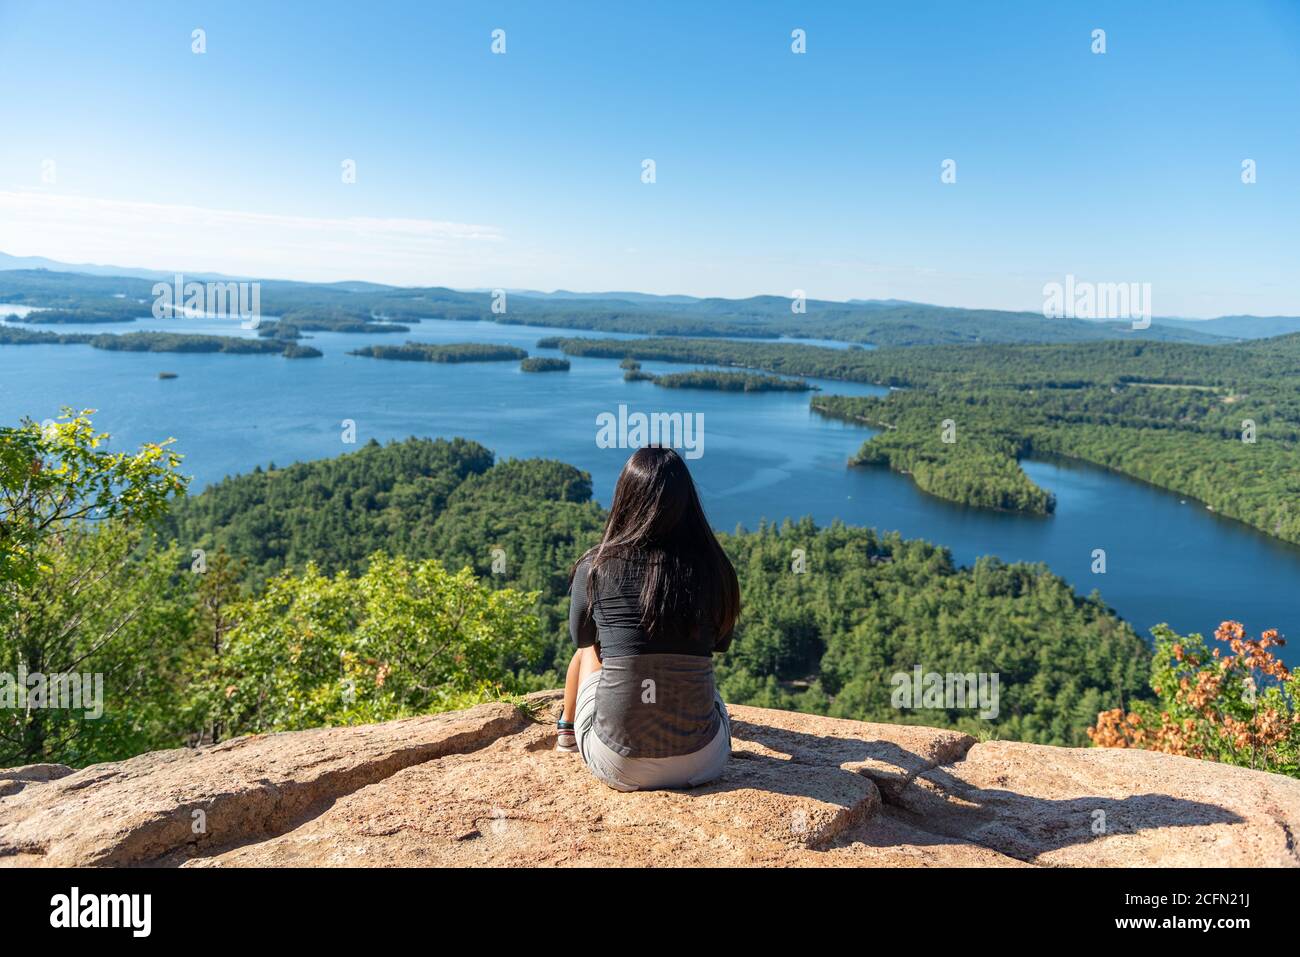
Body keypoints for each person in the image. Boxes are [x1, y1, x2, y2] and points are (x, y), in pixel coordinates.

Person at [555, 445, 740, 791]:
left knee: (591, 648)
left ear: (625, 499)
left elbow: (581, 639)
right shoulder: (716, 567)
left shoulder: (595, 567)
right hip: (704, 761)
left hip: (618, 763)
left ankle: (565, 732)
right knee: (706, 688)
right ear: (688, 503)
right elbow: (720, 643)